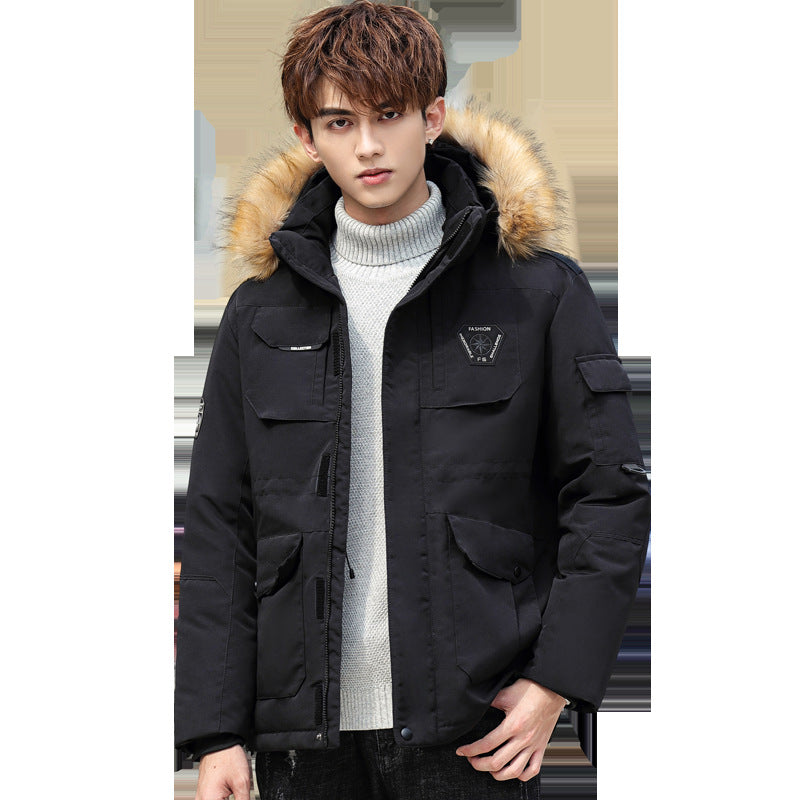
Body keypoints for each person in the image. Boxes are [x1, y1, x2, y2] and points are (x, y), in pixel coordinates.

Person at [174, 2, 651, 799]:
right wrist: (215, 731)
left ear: (432, 117)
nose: (367, 145)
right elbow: (223, 525)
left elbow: (607, 495)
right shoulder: (260, 314)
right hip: (305, 743)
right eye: (339, 122)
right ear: (306, 136)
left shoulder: (535, 293)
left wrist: (556, 683)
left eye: (389, 115)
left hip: (474, 732)